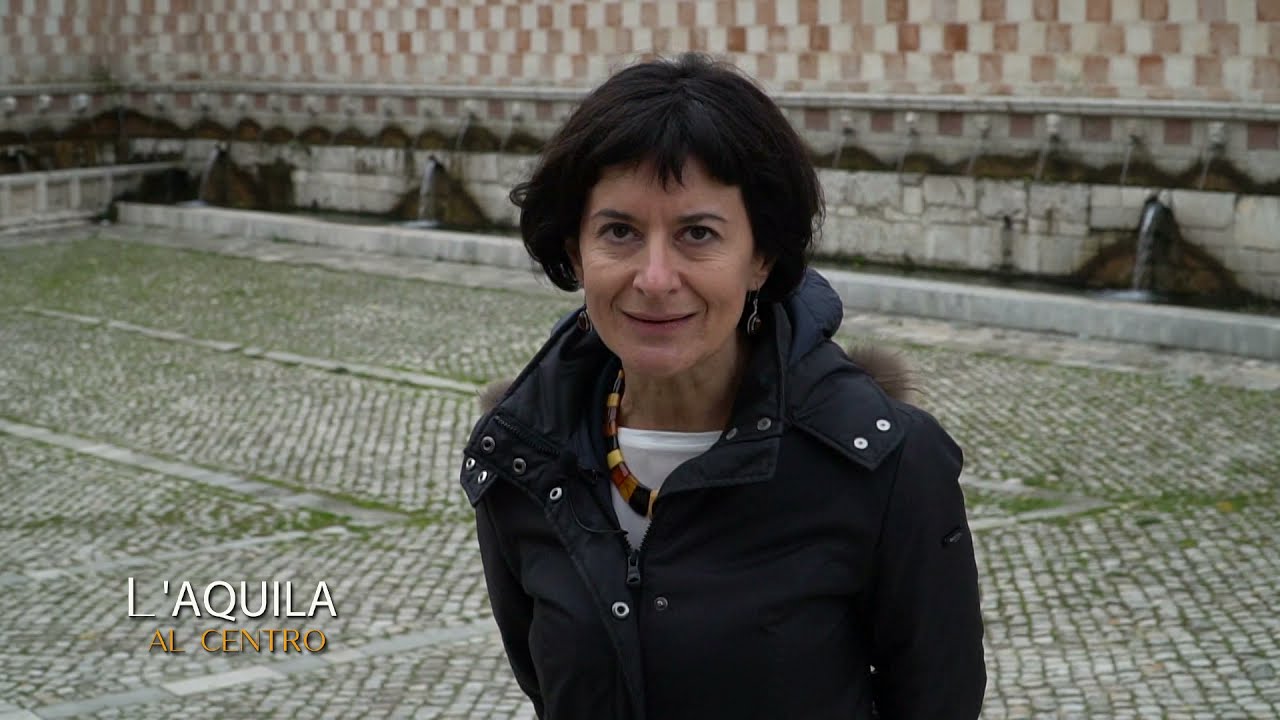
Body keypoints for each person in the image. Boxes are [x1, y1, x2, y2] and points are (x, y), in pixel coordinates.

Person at [460, 53, 985, 719]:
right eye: (619, 231)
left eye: (698, 234)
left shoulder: (887, 467)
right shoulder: (522, 460)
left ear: (761, 257)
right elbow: (549, 688)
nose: (654, 277)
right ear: (575, 252)